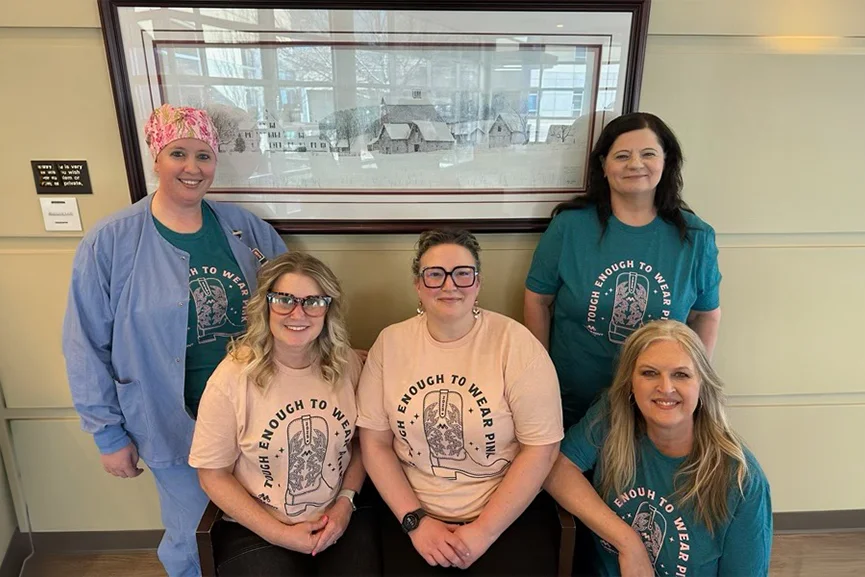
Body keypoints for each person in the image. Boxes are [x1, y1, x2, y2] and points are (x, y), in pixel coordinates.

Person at [62, 104, 287, 577]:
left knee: (261, 524)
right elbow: (84, 344)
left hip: (253, 412)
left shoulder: (248, 232)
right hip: (170, 419)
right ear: (156, 157)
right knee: (193, 535)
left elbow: (293, 307)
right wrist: (108, 434)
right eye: (178, 153)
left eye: (204, 155)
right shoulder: (112, 242)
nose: (192, 167)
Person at [357, 229, 564, 576]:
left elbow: (541, 449)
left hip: (505, 515)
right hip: (411, 514)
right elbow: (374, 444)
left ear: (478, 283)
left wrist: (484, 531)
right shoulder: (389, 344)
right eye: (435, 274)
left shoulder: (516, 344)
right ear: (418, 285)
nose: (449, 285)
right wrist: (416, 522)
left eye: (462, 274)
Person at [524, 112, 722, 429]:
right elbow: (537, 300)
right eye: (622, 156)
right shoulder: (569, 227)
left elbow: (705, 316)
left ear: (667, 162)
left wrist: (691, 383)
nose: (635, 164)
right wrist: (539, 377)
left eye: (648, 154)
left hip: (655, 410)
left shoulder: (696, 238)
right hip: (572, 404)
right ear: (604, 165)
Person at [189, 252, 380, 576]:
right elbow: (212, 474)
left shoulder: (346, 365)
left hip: (337, 515)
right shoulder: (231, 379)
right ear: (265, 305)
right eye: (284, 300)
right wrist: (279, 533)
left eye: (313, 302)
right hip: (257, 527)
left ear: (328, 309)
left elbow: (363, 444)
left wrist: (345, 504)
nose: (298, 313)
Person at [545, 320, 772, 576]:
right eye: (649, 373)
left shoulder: (742, 481)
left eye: (681, 374)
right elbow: (557, 468)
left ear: (702, 384)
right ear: (630, 383)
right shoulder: (613, 415)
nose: (665, 388)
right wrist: (628, 543)